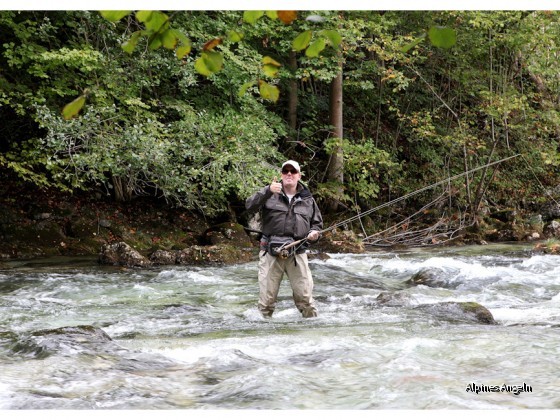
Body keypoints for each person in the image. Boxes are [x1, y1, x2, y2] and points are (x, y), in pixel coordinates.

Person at [246, 160, 323, 318]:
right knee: (266, 303)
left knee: (306, 301)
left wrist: (314, 234)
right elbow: (249, 206)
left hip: (297, 253)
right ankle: (263, 337)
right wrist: (267, 190)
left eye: (293, 171)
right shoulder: (269, 193)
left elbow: (317, 224)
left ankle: (312, 336)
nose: (289, 174)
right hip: (270, 253)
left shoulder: (308, 199)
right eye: (286, 171)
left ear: (298, 176)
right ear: (281, 174)